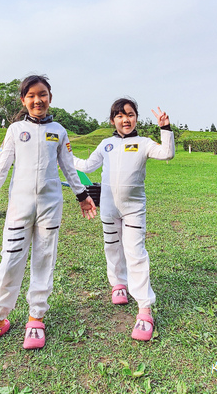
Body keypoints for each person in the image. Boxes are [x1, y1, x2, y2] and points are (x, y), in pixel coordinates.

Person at [0, 75, 97, 352]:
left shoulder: (59, 131)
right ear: (23, 100)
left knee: (44, 261)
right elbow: (3, 165)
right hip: (19, 208)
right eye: (32, 96)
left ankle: (36, 317)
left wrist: (83, 196)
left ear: (50, 97)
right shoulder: (15, 130)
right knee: (10, 260)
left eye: (43, 94)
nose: (38, 100)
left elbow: (69, 167)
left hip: (50, 208)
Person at [73, 98, 174, 341]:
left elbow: (167, 153)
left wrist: (165, 129)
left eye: (129, 114)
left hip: (133, 209)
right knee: (112, 248)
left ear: (136, 118)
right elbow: (86, 166)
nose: (125, 119)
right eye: (119, 115)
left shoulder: (144, 143)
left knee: (135, 253)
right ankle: (118, 284)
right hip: (108, 209)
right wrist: (65, 156)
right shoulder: (106, 144)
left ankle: (144, 309)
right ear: (112, 120)